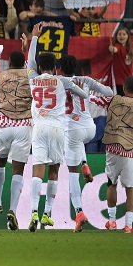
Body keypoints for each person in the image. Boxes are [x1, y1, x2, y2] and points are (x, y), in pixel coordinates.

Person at [26, 25, 88, 232]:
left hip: (39, 127)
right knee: (54, 170)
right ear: (54, 68)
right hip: (58, 129)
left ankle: (33, 210)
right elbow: (85, 95)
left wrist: (34, 39)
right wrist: (75, 84)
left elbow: (30, 62)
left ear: (40, 67)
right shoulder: (62, 81)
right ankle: (47, 214)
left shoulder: (33, 79)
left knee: (38, 170)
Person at [58, 55, 114, 232]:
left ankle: (79, 213)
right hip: (90, 128)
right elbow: (110, 93)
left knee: (71, 175)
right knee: (78, 142)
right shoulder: (86, 80)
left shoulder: (58, 82)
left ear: (60, 69)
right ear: (76, 67)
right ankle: (84, 164)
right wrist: (93, 85)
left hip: (71, 129)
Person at [0, 47, 32, 230]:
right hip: (24, 124)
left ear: (10, 63)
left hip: (4, 125)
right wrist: (27, 50)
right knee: (18, 171)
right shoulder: (31, 76)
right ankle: (13, 209)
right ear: (24, 63)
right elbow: (31, 68)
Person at [95, 76, 133, 233]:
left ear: (124, 88)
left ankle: (111, 222)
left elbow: (94, 99)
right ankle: (129, 225)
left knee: (112, 183)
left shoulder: (113, 100)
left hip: (112, 148)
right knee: (130, 188)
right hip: (130, 149)